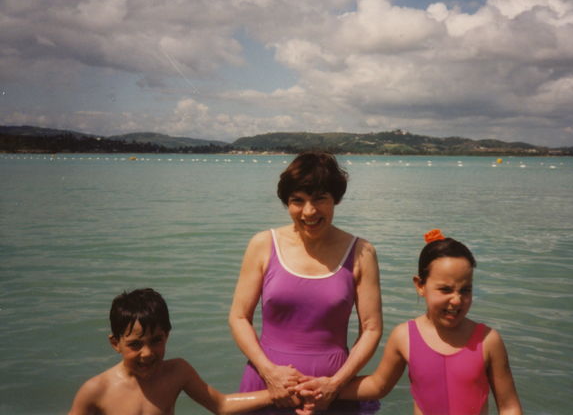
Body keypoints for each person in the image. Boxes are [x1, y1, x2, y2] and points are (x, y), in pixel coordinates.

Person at [297, 229, 523, 415]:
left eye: (466, 290)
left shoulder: (487, 340)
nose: (457, 300)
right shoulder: (404, 336)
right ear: (420, 285)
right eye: (445, 289)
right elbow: (378, 385)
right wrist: (326, 388)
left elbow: (510, 407)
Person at [229, 152, 383, 413]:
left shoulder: (361, 252)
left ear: (336, 199)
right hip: (267, 385)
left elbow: (371, 329)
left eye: (320, 199)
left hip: (332, 391)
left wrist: (335, 384)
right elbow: (239, 317)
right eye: (297, 201)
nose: (309, 211)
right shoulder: (263, 244)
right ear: (286, 203)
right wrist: (269, 373)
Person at [68, 288, 317, 415]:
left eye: (156, 341)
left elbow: (221, 404)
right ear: (115, 343)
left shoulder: (177, 372)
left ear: (167, 335)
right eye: (135, 345)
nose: (147, 353)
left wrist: (277, 393)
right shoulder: (96, 390)